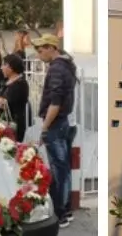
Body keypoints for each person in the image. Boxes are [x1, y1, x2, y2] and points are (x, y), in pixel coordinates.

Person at [33, 34, 77, 228]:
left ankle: (61, 213)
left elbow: (56, 101)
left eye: (41, 49)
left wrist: (44, 128)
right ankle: (66, 210)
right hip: (63, 123)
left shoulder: (57, 68)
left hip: (56, 124)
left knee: (59, 170)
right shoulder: (66, 65)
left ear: (51, 47)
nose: (38, 53)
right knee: (64, 168)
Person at [0, 55, 29, 142]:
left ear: (11, 67)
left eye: (3, 65)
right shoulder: (6, 81)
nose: (1, 68)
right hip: (2, 121)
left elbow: (8, 102)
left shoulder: (20, 83)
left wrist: (0, 101)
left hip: (14, 123)